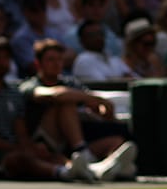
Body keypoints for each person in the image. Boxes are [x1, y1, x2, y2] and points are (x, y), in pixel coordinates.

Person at [0, 37, 93, 182]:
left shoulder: (13, 93)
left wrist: (30, 147)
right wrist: (19, 148)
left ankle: (83, 169)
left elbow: (20, 132)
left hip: (14, 148)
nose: (1, 63)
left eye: (5, 58)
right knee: (19, 158)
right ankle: (62, 173)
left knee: (45, 153)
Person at [17, 38, 137, 181]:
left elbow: (98, 109)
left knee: (116, 142)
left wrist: (102, 110)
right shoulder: (29, 85)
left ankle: (98, 167)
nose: (56, 64)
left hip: (71, 146)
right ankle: (89, 159)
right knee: (66, 103)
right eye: (51, 60)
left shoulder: (71, 83)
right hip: (44, 147)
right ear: (38, 63)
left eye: (59, 59)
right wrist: (99, 100)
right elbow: (57, 94)